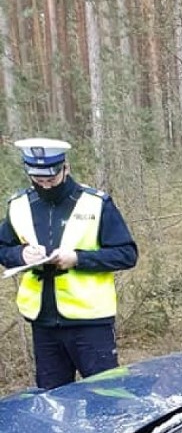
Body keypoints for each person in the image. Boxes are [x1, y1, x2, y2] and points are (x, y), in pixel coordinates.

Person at [0, 137, 138, 388]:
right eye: (38, 181)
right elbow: (3, 248)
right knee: (53, 402)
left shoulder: (96, 204)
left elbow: (127, 254)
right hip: (43, 322)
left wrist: (78, 259)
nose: (45, 186)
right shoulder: (19, 205)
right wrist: (21, 256)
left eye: (51, 180)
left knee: (107, 397)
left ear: (66, 168)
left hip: (90, 323)